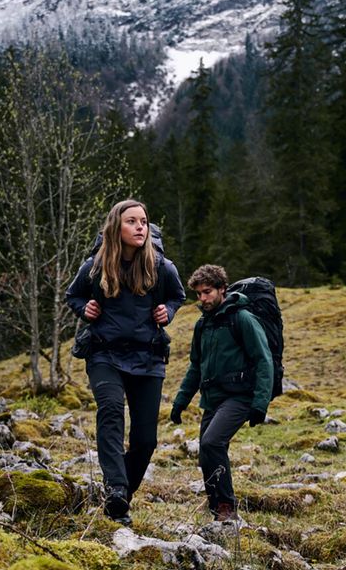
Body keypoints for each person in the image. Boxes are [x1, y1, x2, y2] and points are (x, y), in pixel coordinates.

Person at [66, 199, 185, 525]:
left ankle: (120, 500)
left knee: (146, 440)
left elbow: (177, 295)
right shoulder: (94, 266)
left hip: (148, 358)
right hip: (104, 354)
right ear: (115, 227)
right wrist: (85, 309)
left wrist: (168, 311)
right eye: (132, 221)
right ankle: (115, 486)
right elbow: (72, 295)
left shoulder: (162, 267)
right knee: (111, 413)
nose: (140, 227)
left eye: (143, 221)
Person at [170, 265, 273, 522]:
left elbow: (263, 360)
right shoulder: (202, 324)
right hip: (212, 399)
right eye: (199, 294)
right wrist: (180, 402)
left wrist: (260, 404)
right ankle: (216, 507)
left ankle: (227, 506)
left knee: (212, 442)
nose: (203, 298)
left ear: (222, 289)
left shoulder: (242, 319)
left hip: (240, 396)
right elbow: (196, 366)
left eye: (207, 292)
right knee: (207, 451)